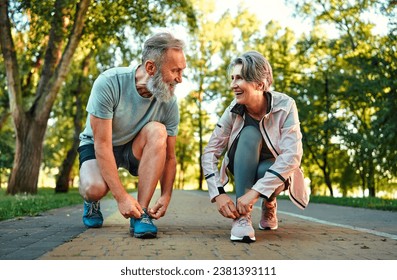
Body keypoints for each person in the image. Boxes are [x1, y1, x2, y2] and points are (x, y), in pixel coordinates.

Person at [77, 32, 186, 239]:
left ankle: (141, 213)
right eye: (174, 71)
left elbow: (170, 156)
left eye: (182, 71)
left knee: (158, 130)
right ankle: (92, 202)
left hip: (134, 147)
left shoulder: (169, 102)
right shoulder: (109, 83)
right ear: (150, 67)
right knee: (94, 188)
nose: (179, 79)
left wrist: (166, 194)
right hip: (98, 144)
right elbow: (102, 145)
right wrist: (121, 198)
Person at [201, 51, 308, 243]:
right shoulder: (233, 110)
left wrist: (254, 193)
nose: (233, 85)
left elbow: (292, 155)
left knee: (268, 168)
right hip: (241, 165)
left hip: (271, 169)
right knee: (250, 133)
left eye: (240, 78)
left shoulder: (286, 105)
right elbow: (210, 152)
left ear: (260, 84)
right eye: (232, 78)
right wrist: (218, 194)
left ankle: (269, 203)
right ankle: (242, 218)